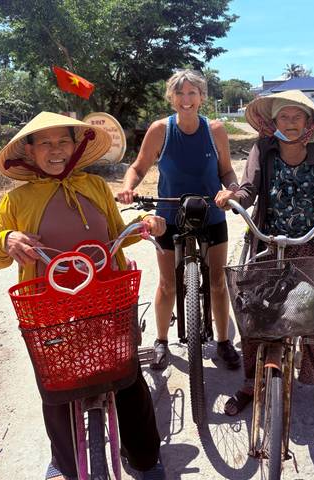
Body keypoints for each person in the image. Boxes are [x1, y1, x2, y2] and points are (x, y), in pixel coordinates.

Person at [0, 112, 167, 480]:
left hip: (107, 295)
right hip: (48, 306)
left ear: (76, 147)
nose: (55, 150)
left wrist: (146, 226)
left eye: (63, 142)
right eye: (45, 143)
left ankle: (145, 457)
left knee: (126, 376)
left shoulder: (94, 186)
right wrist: (7, 239)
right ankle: (64, 461)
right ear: (30, 150)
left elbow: (119, 233)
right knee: (56, 387)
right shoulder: (17, 199)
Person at [215, 89, 314, 414]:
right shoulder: (263, 150)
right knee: (257, 317)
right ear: (274, 121)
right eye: (284, 116)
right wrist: (232, 195)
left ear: (309, 122)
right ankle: (251, 382)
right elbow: (249, 187)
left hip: (309, 246)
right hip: (267, 244)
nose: (291, 123)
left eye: (297, 117)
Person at [117, 69, 241, 370]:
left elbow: (226, 171)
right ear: (171, 97)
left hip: (211, 212)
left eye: (192, 93)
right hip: (169, 214)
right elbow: (139, 166)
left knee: (217, 283)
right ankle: (160, 340)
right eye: (180, 93)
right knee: (168, 284)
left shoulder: (215, 130)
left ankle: (223, 341)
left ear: (202, 97)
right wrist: (127, 188)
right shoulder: (161, 129)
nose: (186, 99)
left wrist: (232, 189)